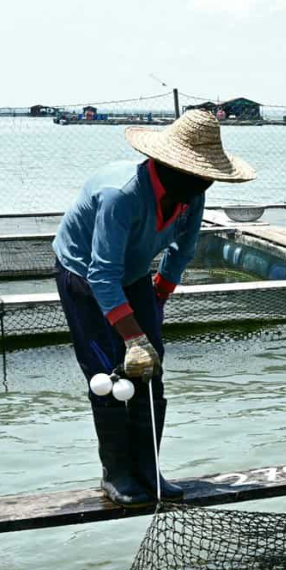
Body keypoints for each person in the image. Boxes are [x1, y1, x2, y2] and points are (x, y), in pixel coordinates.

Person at [53, 110, 255, 505]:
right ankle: (116, 473)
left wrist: (155, 304)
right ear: (169, 166)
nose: (206, 183)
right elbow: (101, 274)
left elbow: (182, 251)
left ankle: (149, 469)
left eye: (210, 176)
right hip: (83, 274)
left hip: (133, 273)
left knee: (152, 366)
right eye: (199, 175)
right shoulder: (122, 195)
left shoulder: (190, 195)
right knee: (108, 372)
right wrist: (131, 337)